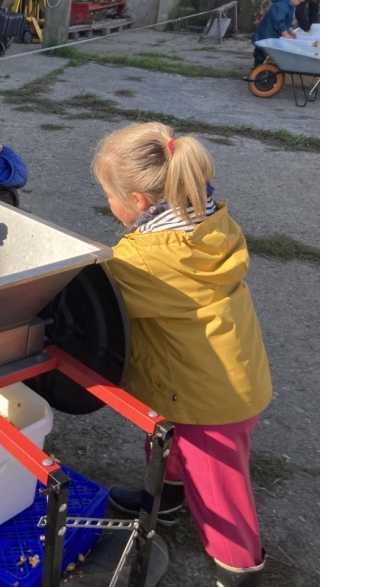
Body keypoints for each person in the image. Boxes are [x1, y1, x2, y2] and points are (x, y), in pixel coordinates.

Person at [91, 122, 273, 586]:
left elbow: (99, 308)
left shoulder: (142, 259)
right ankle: (166, 498)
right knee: (167, 438)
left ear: (137, 202)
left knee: (219, 489)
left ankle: (239, 565)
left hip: (207, 400)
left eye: (108, 195)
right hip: (219, 376)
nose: (108, 205)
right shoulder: (209, 222)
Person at [251, 0, 307, 67]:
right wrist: (286, 34)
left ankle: (266, 70)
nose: (299, 4)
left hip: (274, 34)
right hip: (267, 33)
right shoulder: (281, 5)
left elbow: (288, 21)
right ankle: (257, 71)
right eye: (299, 1)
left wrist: (291, 31)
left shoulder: (291, 6)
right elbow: (279, 22)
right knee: (261, 54)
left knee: (270, 54)